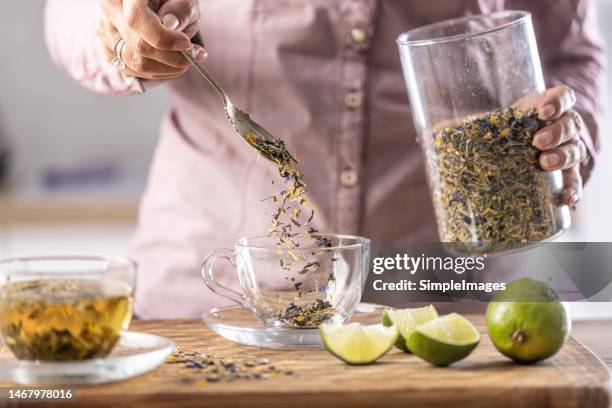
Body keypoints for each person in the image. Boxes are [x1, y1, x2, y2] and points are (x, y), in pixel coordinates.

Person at [45, 0, 604, 318]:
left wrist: (565, 135)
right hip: (213, 297)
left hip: (451, 300)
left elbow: (571, 54)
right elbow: (71, 16)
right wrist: (115, 30)